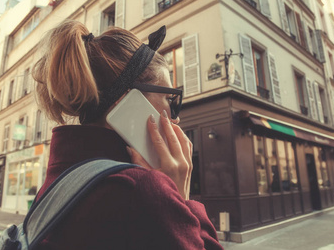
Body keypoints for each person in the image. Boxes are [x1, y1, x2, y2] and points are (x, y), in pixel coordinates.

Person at [32, 20, 224, 249]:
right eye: (169, 99)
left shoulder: (58, 181)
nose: (175, 118)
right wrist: (180, 199)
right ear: (128, 104)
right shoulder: (141, 190)